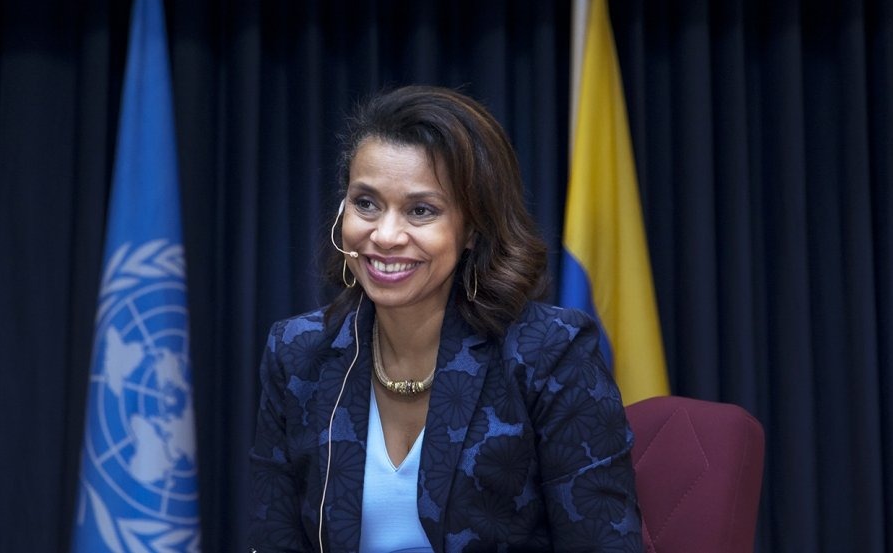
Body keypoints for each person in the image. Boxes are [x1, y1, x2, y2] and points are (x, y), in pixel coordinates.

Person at [249, 85, 642, 553]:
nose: (385, 235)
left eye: (421, 211)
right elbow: (272, 540)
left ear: (473, 228)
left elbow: (602, 543)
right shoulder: (298, 354)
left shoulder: (550, 354)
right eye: (366, 203)